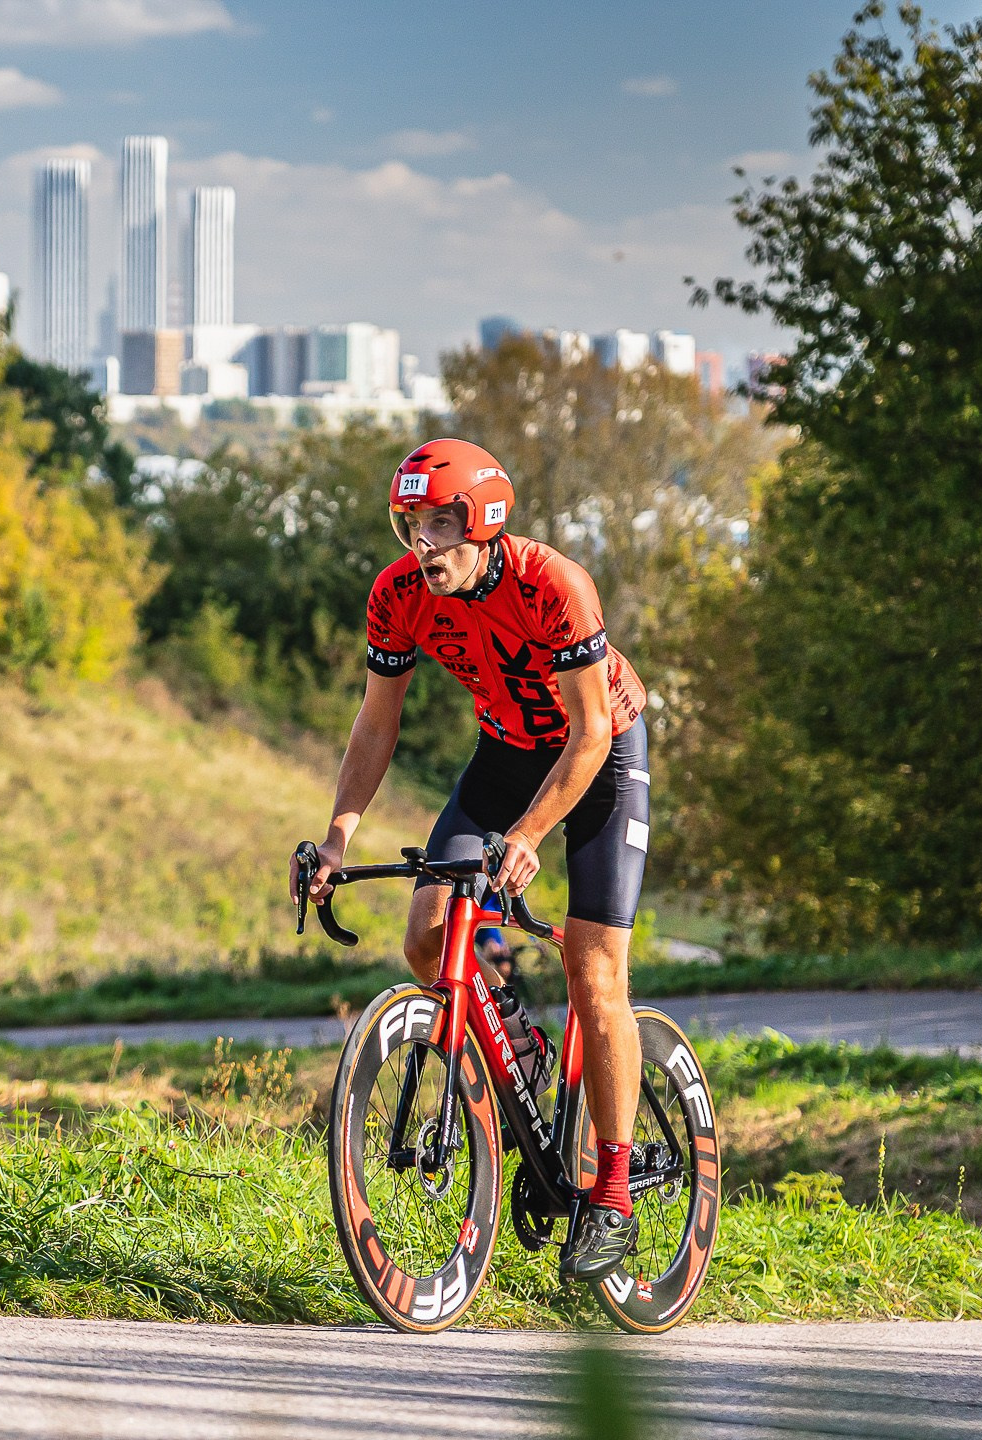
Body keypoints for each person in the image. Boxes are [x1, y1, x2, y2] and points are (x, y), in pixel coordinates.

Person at [295, 436, 652, 1282]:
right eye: (410, 525)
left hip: (598, 756)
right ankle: (516, 1051)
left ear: (485, 518)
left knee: (594, 974)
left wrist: (527, 838)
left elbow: (592, 730)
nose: (424, 545)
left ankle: (613, 1192)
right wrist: (339, 836)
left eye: (442, 524)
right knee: (427, 940)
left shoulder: (550, 583)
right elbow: (376, 723)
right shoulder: (398, 596)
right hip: (504, 755)